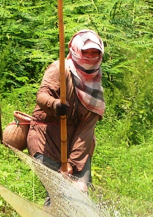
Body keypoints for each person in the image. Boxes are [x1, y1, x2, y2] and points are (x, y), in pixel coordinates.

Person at [26, 29, 105, 197]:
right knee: (58, 195)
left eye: (94, 53)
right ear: (76, 50)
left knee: (80, 194)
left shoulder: (95, 82)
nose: (90, 57)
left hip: (77, 146)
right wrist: (55, 105)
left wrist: (72, 163)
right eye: (85, 52)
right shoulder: (60, 69)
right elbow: (41, 95)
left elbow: (86, 129)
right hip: (46, 141)